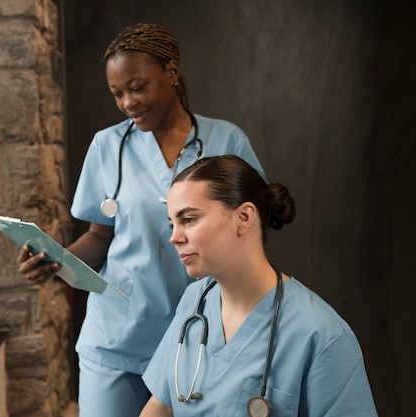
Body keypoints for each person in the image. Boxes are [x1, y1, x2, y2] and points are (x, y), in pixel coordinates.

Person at [17, 23, 266, 417]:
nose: (127, 103)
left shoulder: (225, 141)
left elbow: (253, 229)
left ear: (171, 72)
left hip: (198, 336)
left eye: (137, 87)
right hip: (116, 339)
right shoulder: (106, 145)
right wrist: (57, 260)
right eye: (117, 93)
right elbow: (100, 237)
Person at [140, 155, 378, 417]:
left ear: (243, 217)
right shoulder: (194, 301)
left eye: (189, 220)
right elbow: (161, 405)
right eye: (172, 223)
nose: (174, 237)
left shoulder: (321, 335)